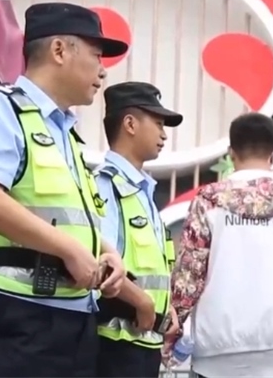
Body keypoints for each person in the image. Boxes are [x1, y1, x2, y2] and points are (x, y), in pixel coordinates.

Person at [0, 2, 128, 377]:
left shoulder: (69, 135)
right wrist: (69, 249)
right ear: (59, 50)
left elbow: (68, 217)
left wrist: (107, 252)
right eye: (96, 55)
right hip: (16, 315)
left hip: (74, 319)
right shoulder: (3, 109)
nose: (103, 71)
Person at [169, 113, 273, 378]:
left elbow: (188, 278)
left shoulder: (208, 201)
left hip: (216, 353)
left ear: (231, 152)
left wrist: (174, 330)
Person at [94, 82, 184, 377]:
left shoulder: (142, 191)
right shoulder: (106, 186)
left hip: (144, 342)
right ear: (130, 124)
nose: (164, 134)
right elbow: (98, 262)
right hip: (113, 343)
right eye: (158, 123)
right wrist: (141, 301)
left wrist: (165, 307)